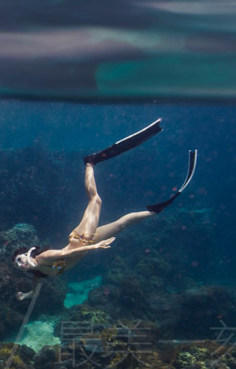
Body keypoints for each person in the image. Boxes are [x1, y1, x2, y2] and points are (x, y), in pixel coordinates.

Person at [12, 123, 197, 300]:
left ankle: (90, 162)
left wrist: (95, 247)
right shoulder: (38, 272)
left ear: (27, 254)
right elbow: (36, 291)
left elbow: (65, 255)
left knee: (96, 200)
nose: (20, 265)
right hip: (87, 241)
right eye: (17, 265)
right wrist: (26, 295)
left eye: (19, 259)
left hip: (82, 239)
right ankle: (155, 211)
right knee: (120, 225)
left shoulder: (43, 258)